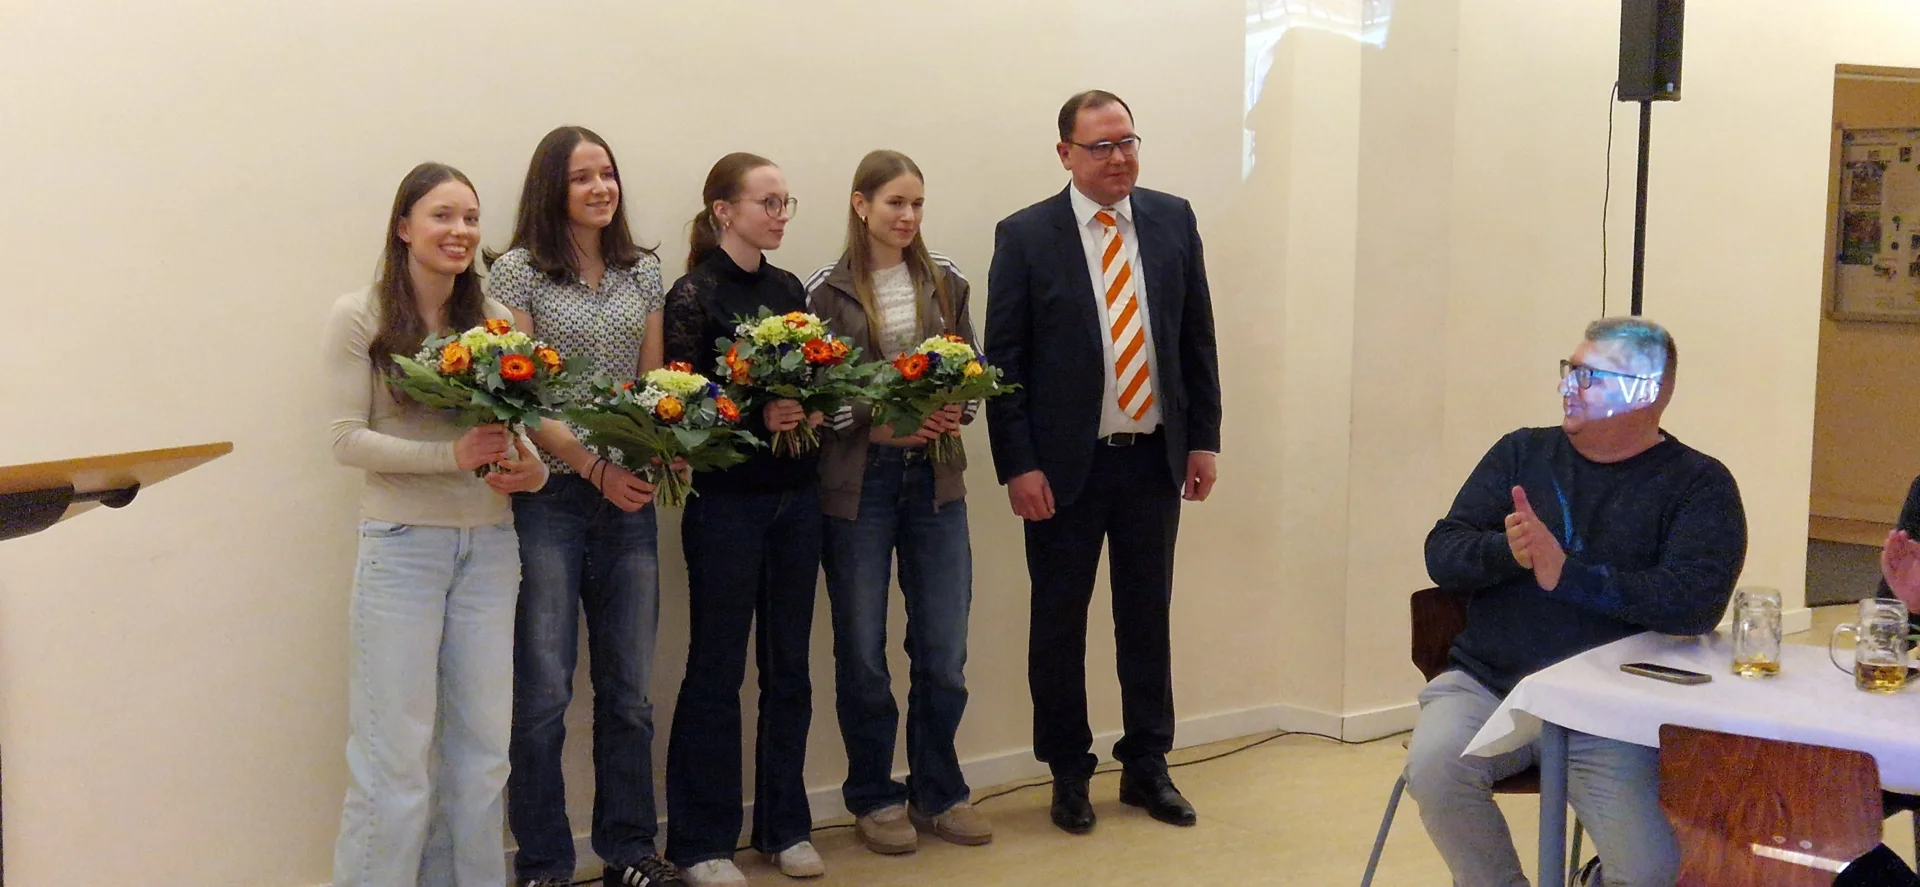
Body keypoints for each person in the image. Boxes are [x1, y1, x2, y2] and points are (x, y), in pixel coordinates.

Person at [1412, 317, 1748, 887]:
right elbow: (1443, 553)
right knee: (1436, 767)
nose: (1570, 386)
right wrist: (1508, 552)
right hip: (1493, 687)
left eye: (1591, 376)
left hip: (1613, 706)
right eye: (1570, 370)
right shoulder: (1522, 452)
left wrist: (1570, 575)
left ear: (1647, 392)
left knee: (1650, 872)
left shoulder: (1699, 484)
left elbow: (1694, 603)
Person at [984, 90, 1223, 836]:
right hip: (1062, 469)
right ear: (1066, 154)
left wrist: (1204, 437)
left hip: (1152, 458)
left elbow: (1196, 337)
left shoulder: (1172, 217)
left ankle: (1147, 762)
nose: (1119, 157)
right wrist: (1018, 464)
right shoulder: (1026, 235)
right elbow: (1006, 362)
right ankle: (1068, 770)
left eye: (1127, 141)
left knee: (1146, 618)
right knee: (1058, 623)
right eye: (1101, 146)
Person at [323, 162, 548, 886]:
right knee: (395, 762)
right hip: (401, 550)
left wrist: (534, 469)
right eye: (442, 216)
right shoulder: (360, 315)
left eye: (470, 218)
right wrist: (450, 455)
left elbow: (519, 433)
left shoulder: (495, 324)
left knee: (483, 758)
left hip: (490, 547)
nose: (459, 231)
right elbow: (343, 440)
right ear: (404, 227)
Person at [485, 126, 683, 887]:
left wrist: (666, 440)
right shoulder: (519, 272)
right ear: (551, 190)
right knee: (543, 692)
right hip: (549, 496)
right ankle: (543, 863)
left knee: (629, 691)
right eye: (582, 178)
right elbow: (521, 391)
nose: (601, 188)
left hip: (627, 494)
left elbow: (653, 380)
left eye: (608, 174)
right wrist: (590, 466)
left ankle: (630, 851)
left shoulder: (643, 271)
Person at [804, 150, 989, 855]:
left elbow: (971, 376)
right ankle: (874, 796)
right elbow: (815, 400)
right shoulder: (824, 292)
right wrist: (879, 421)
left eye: (917, 204)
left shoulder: (948, 281)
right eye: (894, 204)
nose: (908, 217)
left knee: (943, 646)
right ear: (861, 205)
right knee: (862, 650)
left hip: (936, 481)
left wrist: (952, 410)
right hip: (860, 486)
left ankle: (939, 789)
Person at [661, 152, 825, 886]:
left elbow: (821, 385)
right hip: (727, 503)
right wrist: (760, 410)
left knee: (789, 663)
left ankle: (785, 824)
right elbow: (684, 408)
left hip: (797, 498)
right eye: (767, 202)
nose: (779, 214)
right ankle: (702, 841)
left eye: (786, 202)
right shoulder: (694, 294)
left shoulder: (791, 288)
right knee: (716, 668)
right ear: (723, 210)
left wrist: (808, 408)